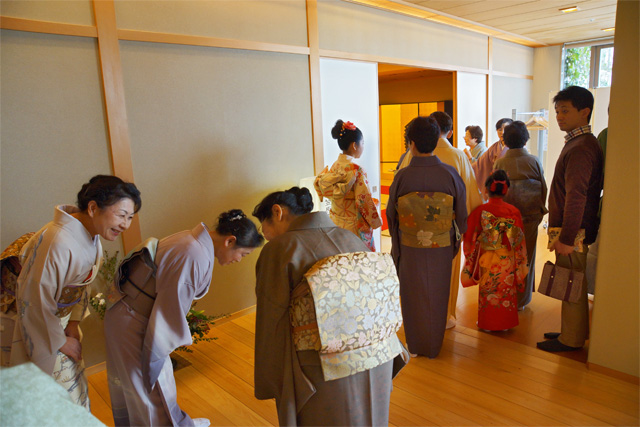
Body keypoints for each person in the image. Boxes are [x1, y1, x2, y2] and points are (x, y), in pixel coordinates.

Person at [253, 187, 406, 426]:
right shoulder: (350, 237)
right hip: (378, 352)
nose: (266, 235)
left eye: (264, 227)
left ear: (277, 212)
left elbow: (271, 318)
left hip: (322, 363)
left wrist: (272, 378)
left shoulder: (280, 248)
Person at [104, 209, 263, 427]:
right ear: (230, 241)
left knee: (147, 387)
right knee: (153, 392)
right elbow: (169, 311)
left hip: (131, 311)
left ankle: (180, 423)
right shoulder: (193, 254)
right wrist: (164, 346)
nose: (239, 260)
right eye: (243, 254)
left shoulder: (192, 241)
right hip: (134, 318)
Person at [5, 175, 141, 409]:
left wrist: (73, 323)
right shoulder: (56, 240)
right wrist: (60, 341)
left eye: (130, 217)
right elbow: (34, 300)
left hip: (59, 323)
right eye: (121, 215)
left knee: (73, 393)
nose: (126, 225)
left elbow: (82, 284)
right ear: (93, 208)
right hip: (39, 326)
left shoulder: (90, 234)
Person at [387, 116, 467, 358]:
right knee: (438, 293)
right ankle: (434, 346)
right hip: (441, 245)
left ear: (411, 143)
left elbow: (391, 215)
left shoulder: (402, 176)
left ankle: (416, 345)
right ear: (436, 141)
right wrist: (453, 241)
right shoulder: (450, 174)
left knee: (412, 295)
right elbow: (461, 214)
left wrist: (398, 244)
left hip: (410, 245)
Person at [537, 86, 604, 353]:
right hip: (573, 229)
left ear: (584, 112)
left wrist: (566, 237)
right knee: (573, 280)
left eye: (565, 110)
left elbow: (577, 195)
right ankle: (573, 332)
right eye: (557, 111)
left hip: (573, 231)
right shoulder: (581, 143)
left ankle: (571, 339)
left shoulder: (582, 147)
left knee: (571, 282)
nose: (559, 116)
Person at [430, 112, 483, 328]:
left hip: (415, 226)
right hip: (448, 225)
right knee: (447, 269)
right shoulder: (458, 156)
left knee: (421, 270)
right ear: (450, 132)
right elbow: (469, 192)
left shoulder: (413, 154)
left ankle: (421, 314)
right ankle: (443, 317)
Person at [461, 170, 529, 331]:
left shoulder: (480, 211)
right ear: (506, 191)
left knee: (488, 291)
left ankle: (487, 324)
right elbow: (519, 241)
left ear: (486, 190)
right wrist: (519, 261)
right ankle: (505, 324)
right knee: (506, 291)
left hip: (487, 259)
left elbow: (469, 236)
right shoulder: (513, 211)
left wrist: (472, 252)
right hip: (507, 260)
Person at [494, 121, 548, 310]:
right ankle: (522, 300)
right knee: (527, 257)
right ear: (526, 139)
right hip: (529, 218)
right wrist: (538, 214)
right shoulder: (534, 161)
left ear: (506, 140)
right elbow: (543, 190)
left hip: (505, 219)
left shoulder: (500, 162)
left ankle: (506, 295)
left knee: (506, 257)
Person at [314, 120, 382, 251]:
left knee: (340, 254)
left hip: (335, 221)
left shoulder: (335, 166)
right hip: (353, 225)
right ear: (354, 145)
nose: (363, 147)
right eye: (362, 143)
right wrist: (374, 218)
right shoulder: (357, 169)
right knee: (357, 258)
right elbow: (363, 201)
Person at [472, 118, 513, 196]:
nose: (502, 132)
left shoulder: (515, 147)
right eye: (499, 130)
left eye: (506, 129)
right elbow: (480, 164)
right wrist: (466, 169)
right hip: (495, 186)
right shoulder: (494, 147)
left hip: (510, 185)